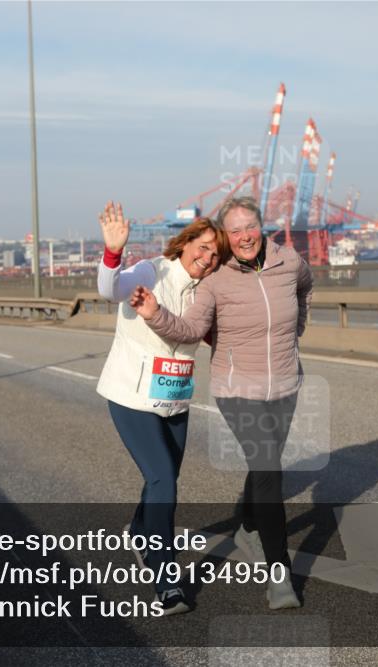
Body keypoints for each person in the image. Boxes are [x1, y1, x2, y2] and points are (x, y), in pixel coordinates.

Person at [130, 196, 313, 610]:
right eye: (235, 230)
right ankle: (279, 576)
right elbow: (192, 328)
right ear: (227, 238)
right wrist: (154, 312)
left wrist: (296, 327)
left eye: (250, 226)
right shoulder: (217, 280)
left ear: (262, 227)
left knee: (263, 467)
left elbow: (306, 288)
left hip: (285, 383)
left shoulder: (290, 262)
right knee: (268, 468)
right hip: (237, 389)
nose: (244, 235)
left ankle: (248, 525)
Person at [95, 201, 227, 616]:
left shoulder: (207, 293)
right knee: (163, 481)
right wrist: (113, 253)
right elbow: (110, 289)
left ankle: (139, 530)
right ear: (184, 242)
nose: (206, 258)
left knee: (161, 480)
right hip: (132, 396)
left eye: (214, 255)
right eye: (202, 247)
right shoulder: (153, 270)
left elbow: (216, 337)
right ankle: (165, 582)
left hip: (174, 400)